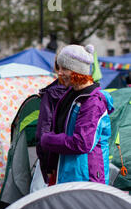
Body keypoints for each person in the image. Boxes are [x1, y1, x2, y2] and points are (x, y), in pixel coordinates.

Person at [40, 44, 114, 184]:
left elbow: (82, 143)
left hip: (86, 177)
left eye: (65, 68)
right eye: (59, 68)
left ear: (78, 71)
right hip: (69, 172)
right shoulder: (71, 94)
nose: (59, 73)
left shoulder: (92, 102)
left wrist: (47, 140)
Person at [35, 53, 68, 185]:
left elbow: (43, 132)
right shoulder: (93, 93)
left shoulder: (51, 94)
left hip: (55, 156)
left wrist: (46, 166)